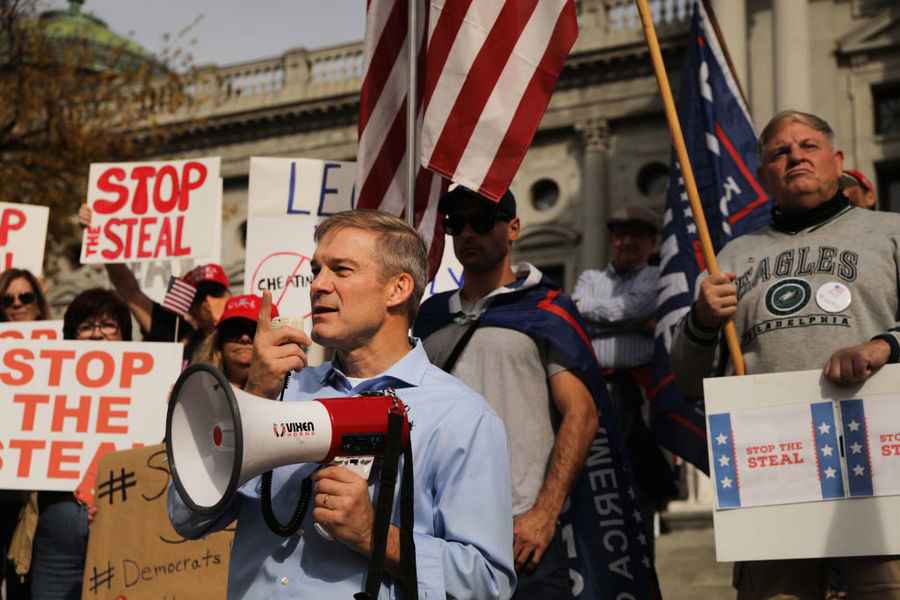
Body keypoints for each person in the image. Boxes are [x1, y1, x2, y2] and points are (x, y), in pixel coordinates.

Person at [168, 209, 515, 599]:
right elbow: (185, 517)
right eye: (317, 270)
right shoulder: (281, 393)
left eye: (341, 270)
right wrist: (255, 394)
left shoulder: (460, 417)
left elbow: (487, 582)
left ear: (397, 289)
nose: (317, 285)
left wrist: (375, 535)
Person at [671, 110, 900, 599]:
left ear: (837, 161)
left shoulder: (891, 232)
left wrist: (885, 346)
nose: (795, 155)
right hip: (774, 483)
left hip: (882, 480)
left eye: (808, 145)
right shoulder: (728, 259)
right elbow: (689, 381)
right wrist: (701, 322)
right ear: (763, 177)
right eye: (780, 151)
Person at [415, 187, 658, 599]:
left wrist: (543, 514)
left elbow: (582, 413)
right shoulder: (430, 316)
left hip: (518, 530)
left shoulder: (546, 309)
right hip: (439, 530)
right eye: (456, 224)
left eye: (482, 221)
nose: (468, 233)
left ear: (513, 228)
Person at [571, 206, 676, 560]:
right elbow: (577, 311)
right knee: (595, 479)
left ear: (651, 242)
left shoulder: (655, 276)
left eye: (635, 234)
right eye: (619, 234)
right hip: (595, 392)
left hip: (639, 394)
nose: (626, 241)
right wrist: (635, 321)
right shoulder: (589, 278)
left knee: (637, 483)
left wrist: (602, 318)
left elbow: (633, 307)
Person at [18, 288, 133, 600]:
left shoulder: (151, 388)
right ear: (71, 337)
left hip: (124, 533)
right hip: (57, 538)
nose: (97, 336)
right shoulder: (43, 386)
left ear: (125, 335)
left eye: (108, 325)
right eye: (86, 327)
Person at [78, 204, 231, 360]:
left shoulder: (247, 334)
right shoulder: (175, 332)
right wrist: (101, 231)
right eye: (199, 297)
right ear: (189, 306)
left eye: (216, 293)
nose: (208, 302)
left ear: (229, 295)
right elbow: (128, 289)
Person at [0, 268, 49, 599]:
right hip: (3, 487)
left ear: (39, 302)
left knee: (27, 580)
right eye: (8, 299)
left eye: (25, 297)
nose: (17, 304)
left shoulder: (66, 346)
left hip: (40, 489)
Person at [191, 294, 278, 389]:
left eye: (255, 330)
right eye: (234, 329)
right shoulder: (195, 387)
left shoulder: (291, 395)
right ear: (219, 339)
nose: (244, 338)